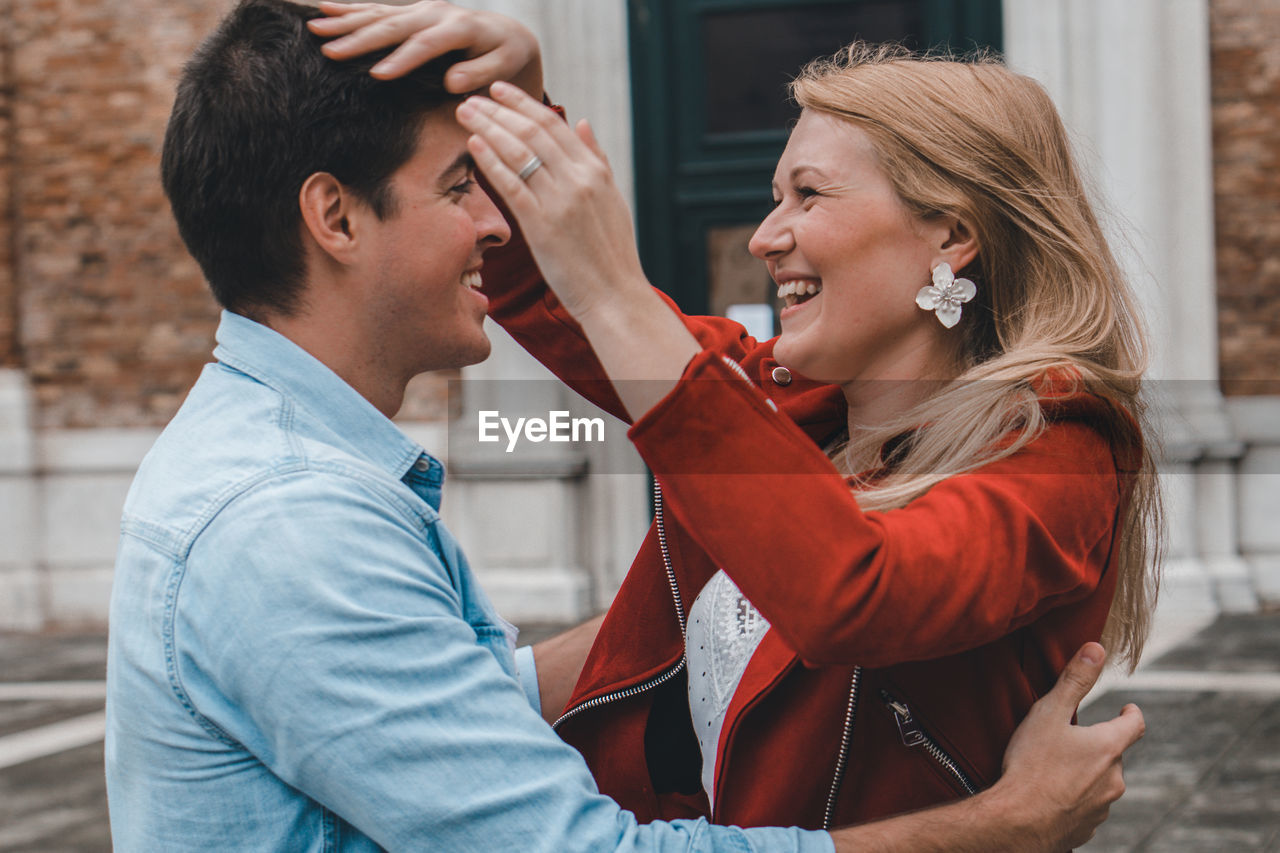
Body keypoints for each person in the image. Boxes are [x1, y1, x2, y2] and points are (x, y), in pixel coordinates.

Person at [105, 1, 1143, 850]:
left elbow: (853, 589)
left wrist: (602, 270)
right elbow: (565, 310)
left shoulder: (1058, 444)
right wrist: (512, 107)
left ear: (951, 233)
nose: (767, 234)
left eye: (807, 195)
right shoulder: (780, 397)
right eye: (770, 195)